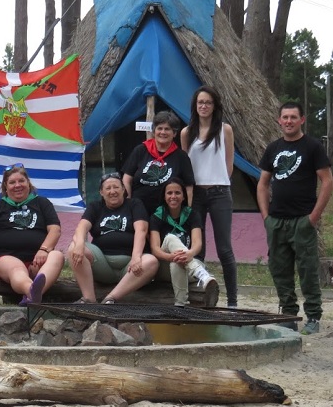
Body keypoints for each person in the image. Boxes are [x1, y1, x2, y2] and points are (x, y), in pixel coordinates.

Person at [257, 101, 333, 335]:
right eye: (285, 117)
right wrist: (266, 216)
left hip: (302, 220)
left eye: (293, 117)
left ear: (302, 120)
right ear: (279, 121)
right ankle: (289, 315)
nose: (288, 121)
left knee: (308, 269)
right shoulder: (273, 148)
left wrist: (313, 217)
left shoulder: (313, 147)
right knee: (279, 269)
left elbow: (328, 182)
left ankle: (313, 316)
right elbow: (263, 183)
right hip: (276, 220)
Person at [181, 86, 238, 307]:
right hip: (196, 194)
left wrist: (219, 181)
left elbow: (229, 164)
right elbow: (186, 166)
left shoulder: (225, 130)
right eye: (200, 102)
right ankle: (200, 298)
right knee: (198, 248)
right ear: (195, 106)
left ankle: (232, 301)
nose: (204, 106)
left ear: (215, 106)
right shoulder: (187, 133)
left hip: (220, 192)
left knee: (224, 248)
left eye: (208, 102)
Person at [0, 164, 64, 305]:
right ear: (5, 186)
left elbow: (55, 229)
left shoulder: (42, 203)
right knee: (17, 268)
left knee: (57, 255)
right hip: (5, 259)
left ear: (28, 182)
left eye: (21, 181)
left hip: (37, 260)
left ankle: (32, 296)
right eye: (12, 182)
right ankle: (31, 291)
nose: (18, 185)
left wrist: (44, 249)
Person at [67, 173, 160, 304]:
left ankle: (110, 299)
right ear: (101, 192)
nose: (112, 191)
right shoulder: (95, 207)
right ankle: (89, 300)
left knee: (151, 261)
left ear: (123, 189)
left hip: (130, 267)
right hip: (102, 263)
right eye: (108, 188)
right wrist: (79, 244)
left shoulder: (134, 204)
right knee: (74, 247)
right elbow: (81, 228)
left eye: (116, 187)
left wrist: (136, 257)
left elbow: (141, 230)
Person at [149, 178, 217, 306]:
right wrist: (170, 256)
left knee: (177, 262)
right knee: (170, 238)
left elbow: (197, 244)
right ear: (164, 196)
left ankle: (180, 305)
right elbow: (155, 249)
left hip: (188, 265)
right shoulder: (157, 216)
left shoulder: (192, 214)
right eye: (169, 193)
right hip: (164, 269)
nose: (173, 196)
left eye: (177, 193)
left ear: (183, 196)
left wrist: (189, 254)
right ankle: (201, 274)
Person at [122, 110, 195, 216]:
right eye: (159, 128)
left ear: (174, 133)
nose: (163, 132)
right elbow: (126, 179)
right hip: (139, 210)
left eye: (167, 129)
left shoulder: (181, 156)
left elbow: (189, 186)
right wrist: (127, 205)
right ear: (153, 131)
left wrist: (186, 211)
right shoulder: (140, 150)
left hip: (168, 212)